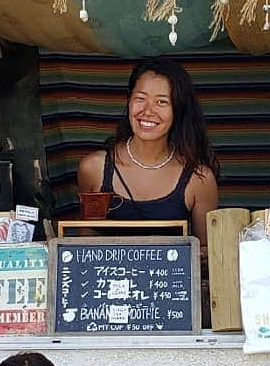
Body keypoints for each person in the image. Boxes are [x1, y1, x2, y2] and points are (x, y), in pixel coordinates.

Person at [76, 58, 220, 246]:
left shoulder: (199, 179)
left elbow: (208, 255)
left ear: (179, 109)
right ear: (128, 101)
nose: (147, 111)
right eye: (140, 99)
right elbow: (84, 247)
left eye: (161, 102)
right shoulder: (94, 169)